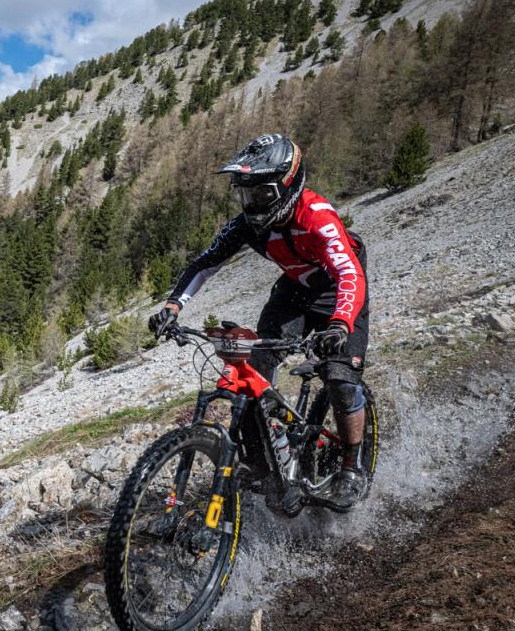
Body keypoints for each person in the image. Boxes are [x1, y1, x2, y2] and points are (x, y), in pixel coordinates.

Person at [147, 133, 369, 512]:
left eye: (261, 194)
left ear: (287, 185)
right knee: (253, 367)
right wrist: (173, 307)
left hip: (338, 289)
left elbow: (349, 272)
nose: (251, 203)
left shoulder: (316, 217)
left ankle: (351, 468)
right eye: (245, 194)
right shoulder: (246, 226)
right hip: (294, 289)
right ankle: (268, 464)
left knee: (339, 376)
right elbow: (205, 263)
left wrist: (340, 324)